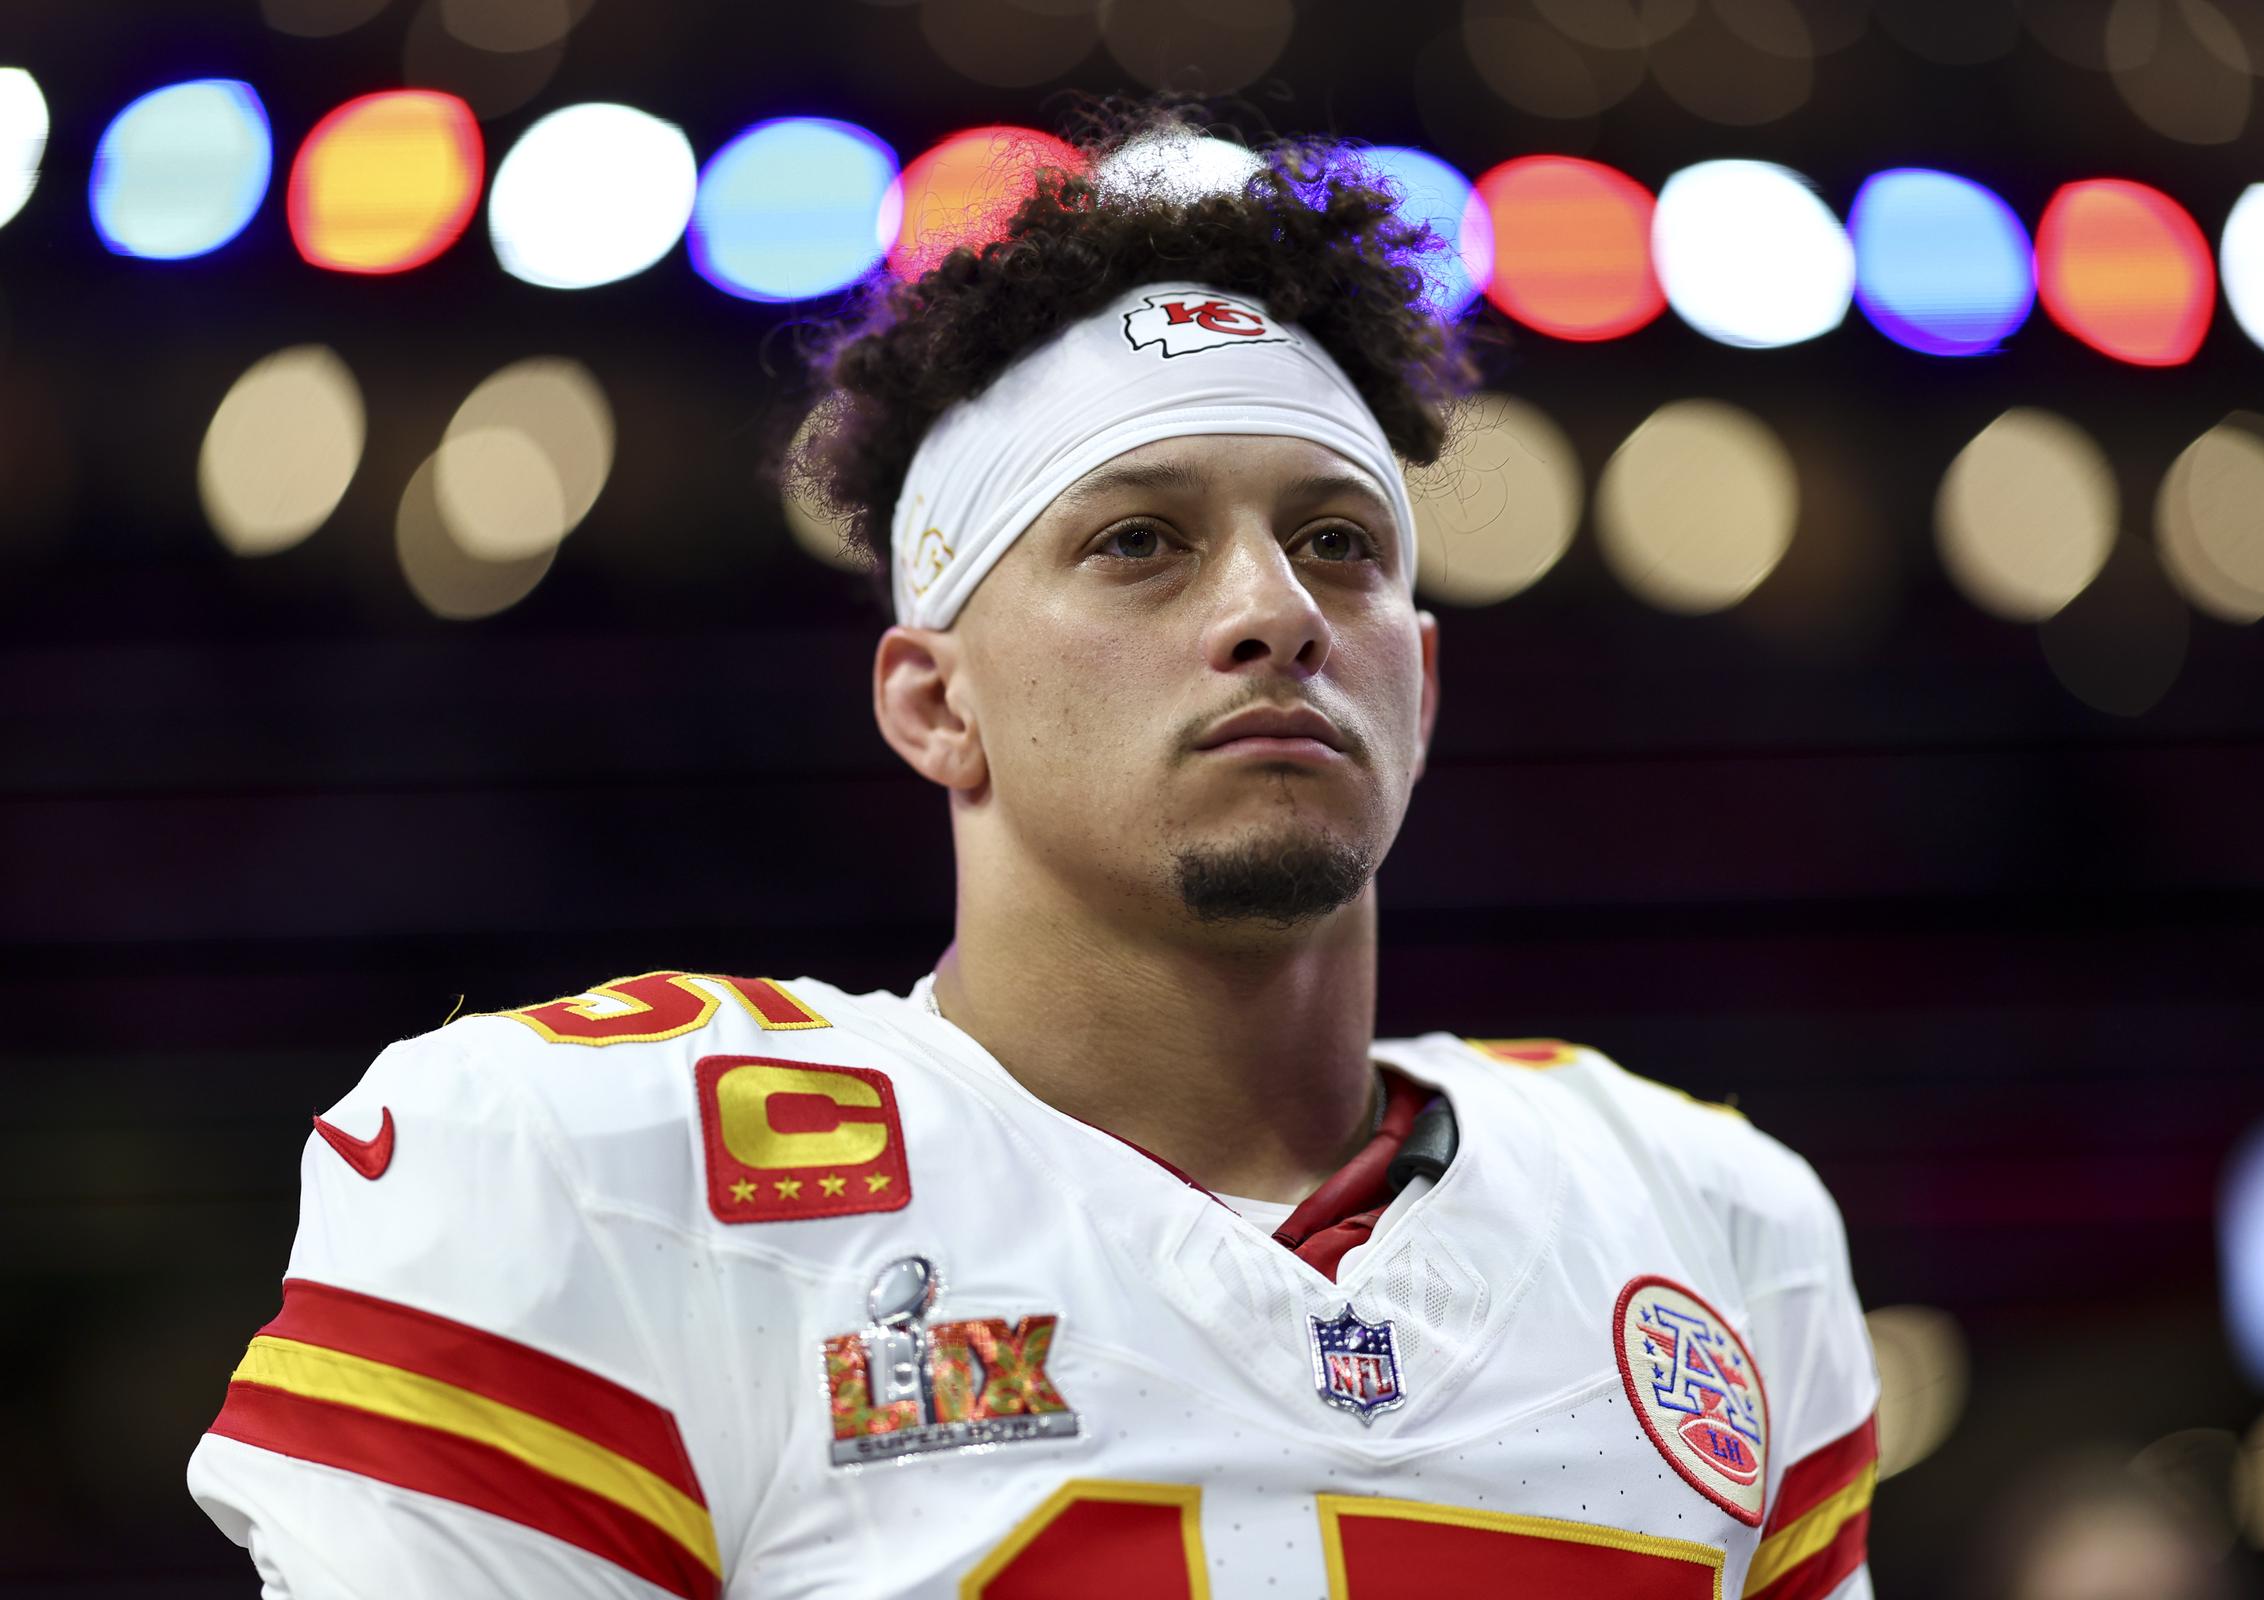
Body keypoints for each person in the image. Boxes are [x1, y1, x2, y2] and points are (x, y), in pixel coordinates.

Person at [189, 112, 1880, 1598]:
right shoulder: (590, 1174)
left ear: (1420, 685)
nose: (1275, 613)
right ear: (935, 704)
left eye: (1338, 545)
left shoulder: (1709, 1220)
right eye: (1139, 542)